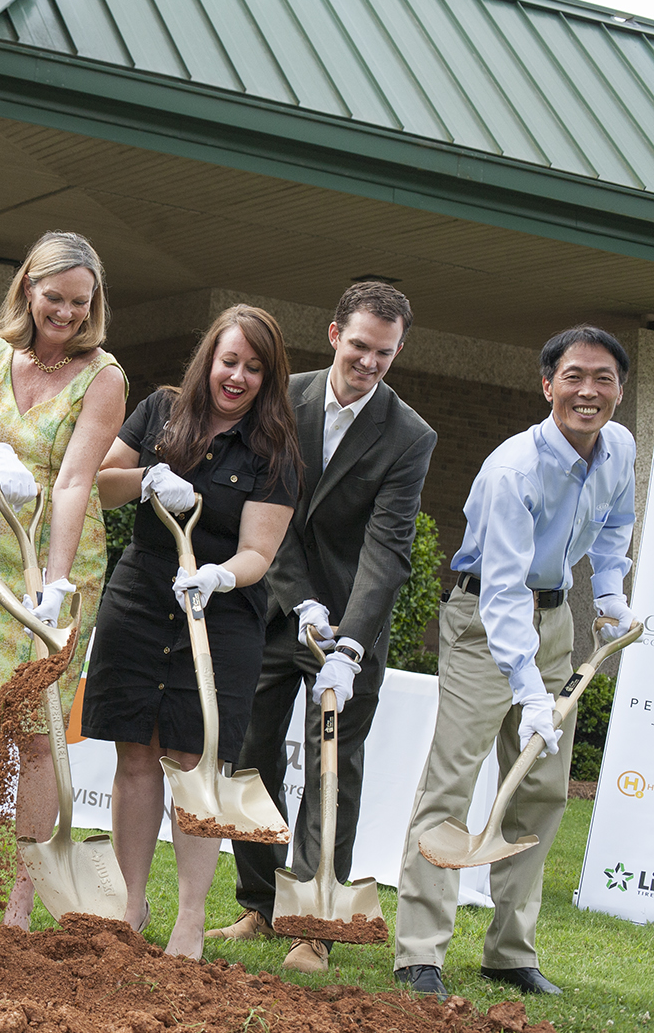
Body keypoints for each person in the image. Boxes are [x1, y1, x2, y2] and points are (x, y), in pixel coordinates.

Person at [393, 326, 636, 1000]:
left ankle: (509, 952)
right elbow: (502, 595)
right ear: (547, 385)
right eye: (573, 377)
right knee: (451, 784)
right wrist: (529, 693)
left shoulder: (619, 446)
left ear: (620, 390)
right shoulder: (513, 471)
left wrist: (609, 592)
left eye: (603, 379)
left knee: (541, 788)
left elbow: (615, 523)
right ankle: (418, 954)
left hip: (555, 619)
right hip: (483, 622)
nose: (587, 391)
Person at [207, 282, 435, 972]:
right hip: (269, 604)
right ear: (335, 335)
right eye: (360, 345)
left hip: (352, 622)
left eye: (384, 353)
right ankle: (261, 902)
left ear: (398, 352)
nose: (369, 362)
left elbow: (388, 549)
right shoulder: (281, 398)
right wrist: (300, 601)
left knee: (333, 765)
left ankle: (314, 924)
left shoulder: (409, 435)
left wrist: (351, 643)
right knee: (248, 750)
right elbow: (264, 511)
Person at [86, 304, 301, 960]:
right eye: (228, 361)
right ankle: (129, 903)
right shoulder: (159, 411)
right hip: (141, 595)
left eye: (253, 368)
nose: (237, 377)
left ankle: (189, 917)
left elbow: (258, 551)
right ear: (209, 358)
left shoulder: (274, 451)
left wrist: (219, 577)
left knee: (195, 763)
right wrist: (146, 478)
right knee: (133, 753)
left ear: (268, 378)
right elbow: (99, 484)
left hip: (221, 613)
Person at [0, 231, 125, 929]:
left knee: (37, 731)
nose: (66, 313)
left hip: (56, 555)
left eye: (80, 302)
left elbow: (74, 481)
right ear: (27, 290)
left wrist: (56, 583)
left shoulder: (103, 377)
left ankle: (21, 899)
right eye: (54, 298)